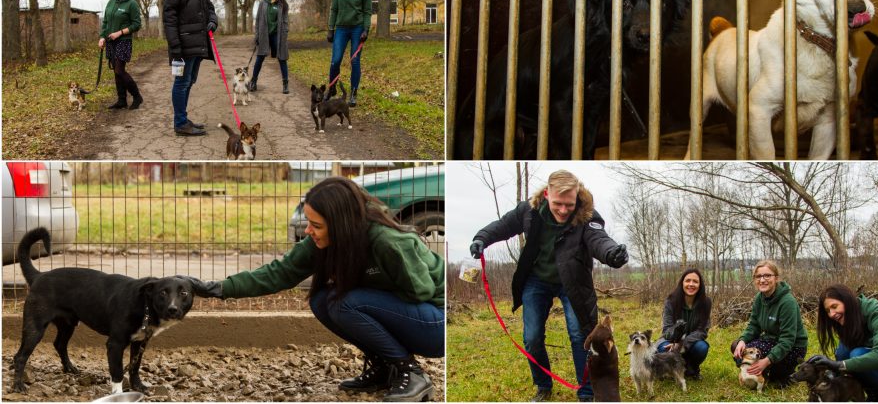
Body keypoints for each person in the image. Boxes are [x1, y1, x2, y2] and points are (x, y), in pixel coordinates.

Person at [184, 177, 444, 402]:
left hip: (437, 323)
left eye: (316, 226)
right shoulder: (325, 242)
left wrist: (366, 287)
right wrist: (215, 288)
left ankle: (410, 372)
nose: (309, 231)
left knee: (346, 302)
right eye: (309, 222)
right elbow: (279, 273)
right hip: (411, 315)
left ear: (341, 225)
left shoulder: (388, 242)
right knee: (322, 300)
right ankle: (385, 368)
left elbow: (419, 292)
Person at [468, 170, 629, 402]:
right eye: (558, 204)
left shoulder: (587, 215)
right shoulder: (529, 212)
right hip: (536, 280)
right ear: (546, 195)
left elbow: (599, 240)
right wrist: (481, 238)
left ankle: (586, 392)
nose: (564, 210)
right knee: (532, 337)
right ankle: (543, 386)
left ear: (577, 197)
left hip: (573, 282)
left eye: (569, 204)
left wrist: (612, 254)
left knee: (580, 335)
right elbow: (503, 226)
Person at [162, 0, 218, 137]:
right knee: (181, 82)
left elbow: (210, 8)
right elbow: (169, 16)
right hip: (183, 44)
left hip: (199, 42)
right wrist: (174, 45)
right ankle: (180, 123)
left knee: (189, 81)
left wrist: (212, 21)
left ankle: (183, 119)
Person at [730, 260, 807, 387]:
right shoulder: (759, 299)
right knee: (737, 346)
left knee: (778, 381)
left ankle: (779, 373)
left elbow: (787, 339)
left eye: (767, 275)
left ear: (776, 278)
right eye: (758, 276)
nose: (762, 280)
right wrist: (742, 340)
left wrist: (766, 361)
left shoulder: (787, 302)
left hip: (793, 348)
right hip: (771, 341)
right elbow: (754, 325)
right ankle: (758, 372)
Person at [327, 0, 372, 107]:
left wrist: (366, 29)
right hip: (341, 28)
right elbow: (333, 10)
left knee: (355, 61)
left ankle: (353, 92)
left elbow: (367, 12)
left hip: (357, 29)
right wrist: (330, 29)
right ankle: (332, 87)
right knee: (336, 60)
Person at [654, 267, 712, 380]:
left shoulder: (706, 302)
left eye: (695, 281)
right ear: (682, 283)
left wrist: (682, 343)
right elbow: (666, 331)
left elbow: (702, 331)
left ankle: (692, 368)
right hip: (670, 340)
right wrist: (676, 339)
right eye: (688, 280)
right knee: (663, 349)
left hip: (692, 341)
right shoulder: (671, 301)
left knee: (702, 347)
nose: (691, 284)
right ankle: (669, 370)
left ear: (700, 285)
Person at [99, 0, 143, 110]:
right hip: (111, 42)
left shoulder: (132, 3)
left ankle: (137, 96)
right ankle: (121, 100)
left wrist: (120, 32)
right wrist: (102, 37)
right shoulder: (111, 2)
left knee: (119, 70)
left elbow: (137, 24)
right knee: (116, 71)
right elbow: (105, 22)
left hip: (123, 41)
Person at [250, 0, 290, 94]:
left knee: (282, 59)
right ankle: (253, 82)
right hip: (264, 35)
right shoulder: (263, 3)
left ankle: (285, 84)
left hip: (278, 35)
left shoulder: (283, 4)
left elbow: (286, 21)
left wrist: (285, 33)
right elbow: (257, 20)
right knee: (259, 58)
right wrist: (257, 35)